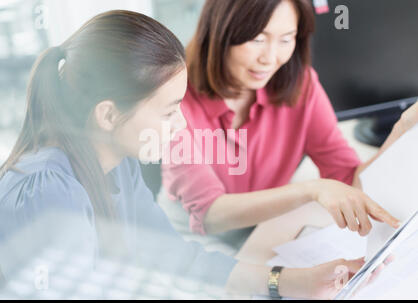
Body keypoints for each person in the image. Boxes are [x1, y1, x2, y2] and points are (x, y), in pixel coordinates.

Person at [0, 10, 393, 300]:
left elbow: (176, 259)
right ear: (108, 114)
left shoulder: (119, 167)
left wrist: (289, 282)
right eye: (170, 111)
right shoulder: (46, 193)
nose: (182, 125)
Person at [160, 0, 417, 249]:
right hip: (190, 241)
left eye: (286, 39)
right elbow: (209, 214)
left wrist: (402, 128)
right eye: (257, 39)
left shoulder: (301, 85)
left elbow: (349, 181)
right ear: (219, 30)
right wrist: (310, 190)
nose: (270, 58)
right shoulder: (173, 96)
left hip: (264, 229)